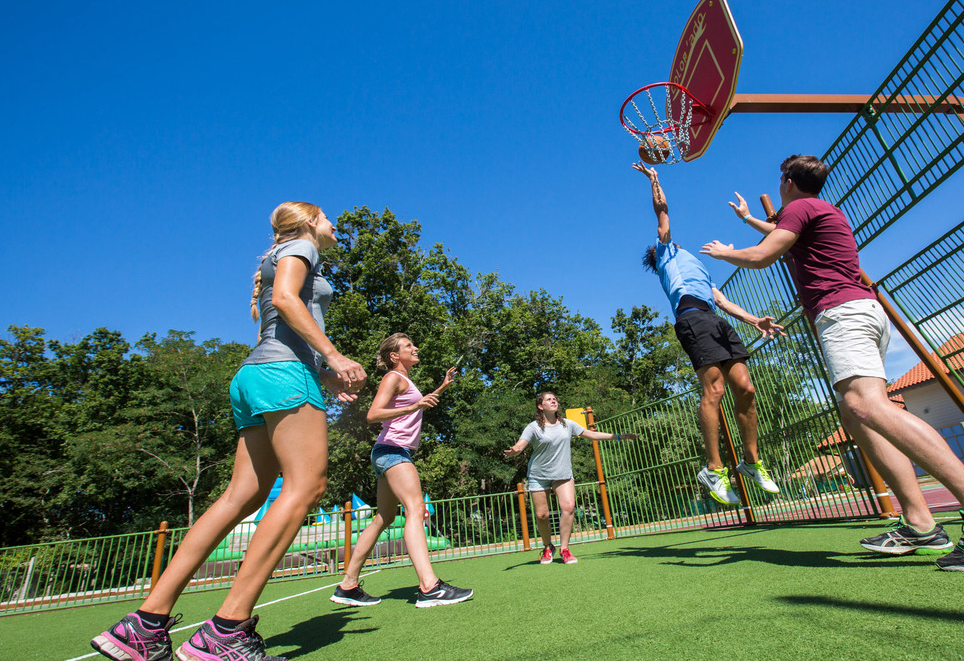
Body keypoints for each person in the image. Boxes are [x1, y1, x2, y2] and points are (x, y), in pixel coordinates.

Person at [701, 154, 964, 571]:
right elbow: (780, 235)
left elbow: (763, 256)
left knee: (867, 405)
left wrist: (723, 254)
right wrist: (751, 220)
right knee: (855, 414)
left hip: (842, 313)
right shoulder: (816, 210)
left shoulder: (798, 208)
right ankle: (920, 524)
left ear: (787, 181)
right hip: (860, 312)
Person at [92, 201, 368, 661]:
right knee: (306, 488)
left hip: (256, 377)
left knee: (241, 496)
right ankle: (227, 629)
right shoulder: (302, 245)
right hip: (282, 376)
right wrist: (336, 357)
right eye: (326, 217)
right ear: (307, 223)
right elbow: (285, 301)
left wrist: (324, 374)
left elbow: (278, 332)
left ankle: (144, 625)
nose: (333, 224)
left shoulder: (273, 254)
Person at [633, 162, 783, 507]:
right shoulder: (666, 255)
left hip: (714, 319)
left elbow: (722, 301)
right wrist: (655, 180)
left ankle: (750, 462)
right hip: (692, 319)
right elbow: (663, 214)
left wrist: (753, 320)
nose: (670, 239)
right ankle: (714, 469)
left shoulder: (698, 266)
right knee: (714, 390)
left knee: (746, 388)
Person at [330, 334, 473, 608]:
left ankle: (348, 585)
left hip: (388, 452)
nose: (415, 348)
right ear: (394, 356)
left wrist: (441, 388)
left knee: (384, 517)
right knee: (416, 509)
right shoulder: (392, 378)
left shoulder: (405, 380)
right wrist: (414, 405)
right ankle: (430, 587)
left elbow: (413, 406)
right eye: (408, 346)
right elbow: (373, 414)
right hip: (393, 450)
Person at [502, 392, 639, 564]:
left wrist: (618, 437)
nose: (553, 401)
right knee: (542, 515)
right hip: (539, 475)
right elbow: (521, 444)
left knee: (568, 507)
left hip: (563, 474)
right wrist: (515, 450)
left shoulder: (568, 424)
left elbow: (592, 435)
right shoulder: (533, 427)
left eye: (555, 399)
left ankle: (564, 548)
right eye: (548, 399)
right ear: (540, 406)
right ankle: (547, 547)